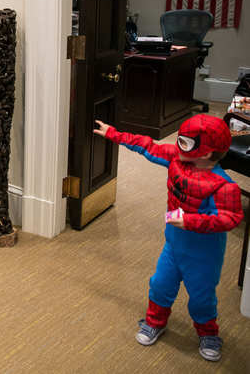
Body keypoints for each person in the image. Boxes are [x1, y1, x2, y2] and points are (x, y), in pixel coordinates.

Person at [93, 115, 243, 362]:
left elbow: (230, 218)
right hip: (173, 245)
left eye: (185, 143)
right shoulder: (177, 159)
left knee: (202, 298)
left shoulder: (224, 186)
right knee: (160, 285)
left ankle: (208, 334)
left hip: (204, 256)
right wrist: (114, 133)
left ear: (205, 153)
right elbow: (148, 146)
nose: (178, 145)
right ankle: (154, 322)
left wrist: (189, 221)